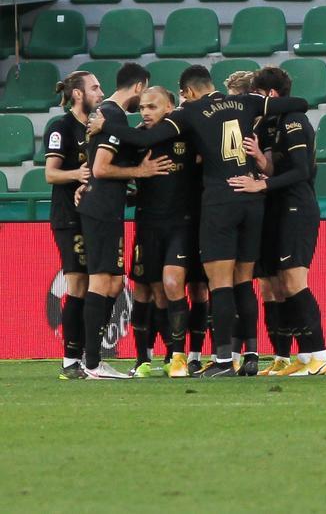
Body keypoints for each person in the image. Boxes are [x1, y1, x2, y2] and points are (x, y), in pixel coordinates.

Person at [89, 65, 308, 377]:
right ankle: (251, 357)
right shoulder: (246, 102)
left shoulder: (190, 112)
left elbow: (145, 139)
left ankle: (222, 362)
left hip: (220, 200)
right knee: (244, 281)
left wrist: (105, 126)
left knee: (220, 284)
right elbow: (299, 104)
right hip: (251, 197)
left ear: (188, 92)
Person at [228, 66, 326, 376]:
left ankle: (320, 354)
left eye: (256, 96)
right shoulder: (271, 125)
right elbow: (278, 168)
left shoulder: (293, 121)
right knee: (279, 286)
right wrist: (262, 162)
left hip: (297, 208)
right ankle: (300, 358)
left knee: (294, 282)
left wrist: (261, 184)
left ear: (270, 94)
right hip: (278, 208)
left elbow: (301, 171)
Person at [77, 63, 171, 379]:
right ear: (138, 85)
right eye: (142, 95)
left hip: (106, 206)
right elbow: (102, 168)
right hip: (102, 208)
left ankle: (91, 359)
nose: (142, 103)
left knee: (114, 282)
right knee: (102, 281)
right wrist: (141, 172)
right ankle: (91, 362)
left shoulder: (107, 116)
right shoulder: (113, 115)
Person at [127, 86, 198, 378]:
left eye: (153, 106)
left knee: (171, 285)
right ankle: (142, 359)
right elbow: (113, 171)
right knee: (146, 290)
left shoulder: (185, 134)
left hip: (180, 223)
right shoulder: (136, 140)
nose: (145, 112)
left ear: (169, 107)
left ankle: (176, 356)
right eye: (142, 107)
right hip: (147, 223)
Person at [46, 71, 102, 380]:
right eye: (94, 87)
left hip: (91, 215)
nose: (100, 92)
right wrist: (77, 175)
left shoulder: (92, 128)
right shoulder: (62, 127)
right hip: (68, 217)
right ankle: (70, 360)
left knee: (94, 284)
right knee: (78, 284)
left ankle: (82, 356)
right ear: (77, 94)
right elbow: (51, 174)